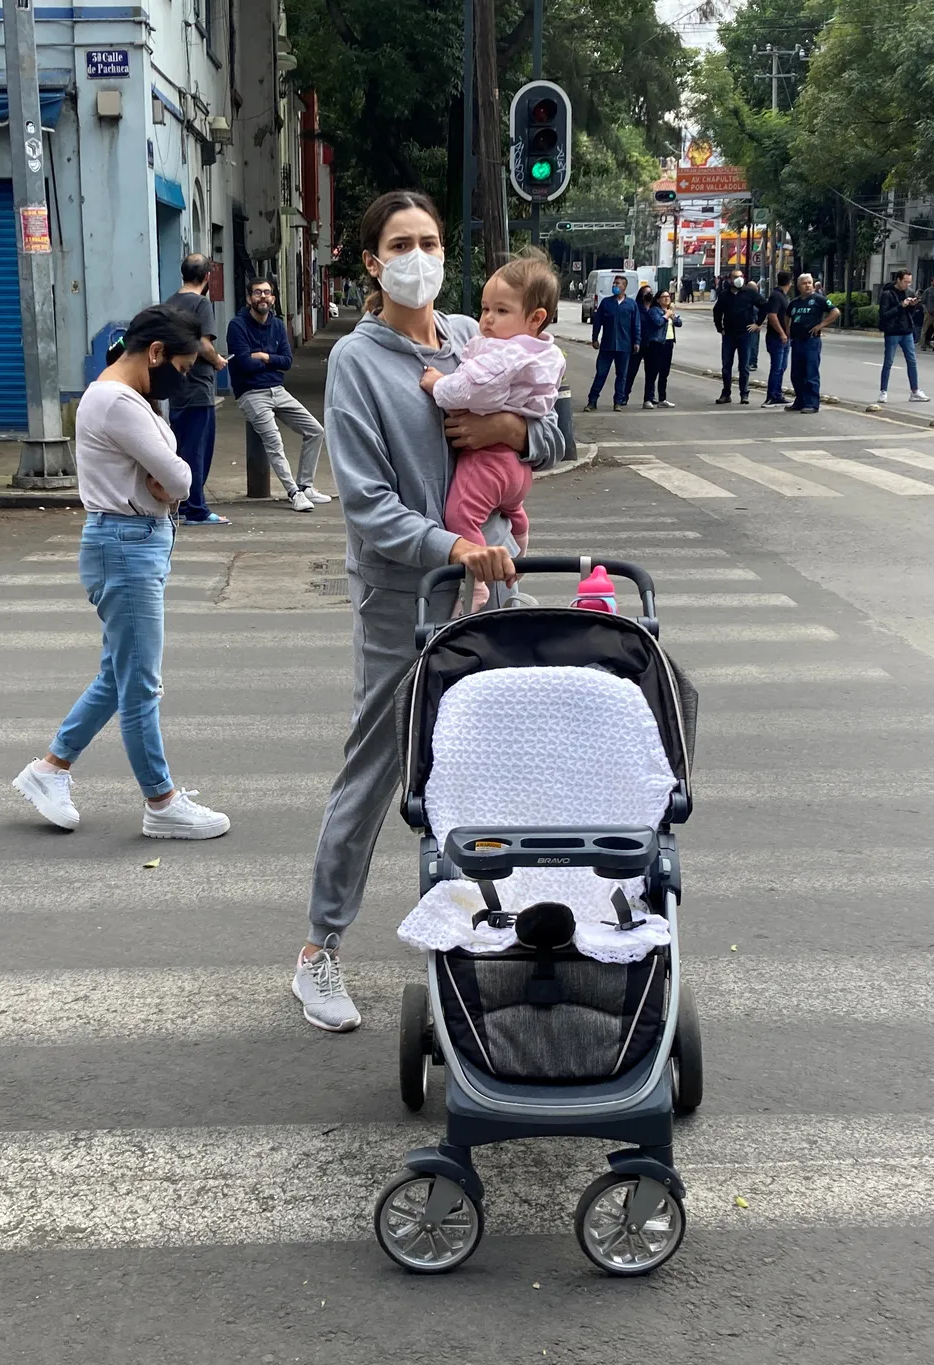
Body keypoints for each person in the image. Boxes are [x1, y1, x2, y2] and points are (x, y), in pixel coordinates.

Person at [292, 191, 564, 1031]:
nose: (419, 257)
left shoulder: (473, 334)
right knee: (375, 768)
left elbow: (554, 432)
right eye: (401, 244)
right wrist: (450, 548)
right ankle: (318, 949)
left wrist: (508, 433)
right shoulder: (357, 362)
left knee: (495, 765)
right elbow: (367, 504)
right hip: (404, 597)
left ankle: (498, 932)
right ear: (373, 262)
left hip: (493, 590)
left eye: (432, 242)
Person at [12, 305, 231, 839]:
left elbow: (170, 471)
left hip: (131, 542)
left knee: (119, 675)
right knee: (140, 686)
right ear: (155, 353)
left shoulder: (121, 396)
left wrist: (167, 475)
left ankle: (50, 768)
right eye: (181, 369)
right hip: (127, 545)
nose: (182, 380)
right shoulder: (116, 400)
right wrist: (168, 477)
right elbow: (180, 479)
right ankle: (161, 801)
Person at [419, 251, 564, 610]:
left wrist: (438, 384)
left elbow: (470, 390)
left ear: (535, 318)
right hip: (518, 473)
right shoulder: (544, 353)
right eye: (485, 308)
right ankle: (520, 544)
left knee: (460, 514)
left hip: (488, 465)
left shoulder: (503, 353)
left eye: (500, 311)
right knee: (514, 509)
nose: (486, 320)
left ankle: (476, 584)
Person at [226, 279, 333, 510]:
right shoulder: (237, 326)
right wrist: (270, 361)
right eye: (257, 293)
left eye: (267, 292)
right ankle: (294, 493)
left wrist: (263, 357)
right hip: (251, 393)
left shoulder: (277, 325)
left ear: (273, 298)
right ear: (249, 299)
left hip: (278, 390)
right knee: (275, 442)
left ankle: (305, 486)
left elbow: (287, 361)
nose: (263, 296)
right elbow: (243, 364)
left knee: (315, 430)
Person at [164, 253, 230, 526]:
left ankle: (180, 503)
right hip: (199, 386)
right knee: (198, 450)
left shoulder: (170, 303)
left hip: (176, 385)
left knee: (181, 448)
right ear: (207, 277)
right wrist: (217, 361)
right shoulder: (201, 303)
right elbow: (203, 343)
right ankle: (196, 509)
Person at [584, 274, 641, 412]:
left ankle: (618, 402)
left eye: (618, 284)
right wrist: (594, 338)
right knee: (601, 374)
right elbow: (597, 322)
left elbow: (636, 325)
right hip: (607, 345)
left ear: (624, 287)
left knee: (621, 376)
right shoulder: (606, 303)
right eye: (614, 283)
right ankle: (592, 401)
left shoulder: (631, 305)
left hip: (624, 346)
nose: (615, 286)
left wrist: (637, 341)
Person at [786, 272, 840, 413]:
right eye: (804, 283)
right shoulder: (794, 302)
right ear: (799, 286)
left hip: (811, 341)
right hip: (796, 341)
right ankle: (800, 401)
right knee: (796, 374)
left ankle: (812, 404)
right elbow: (787, 316)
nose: (808, 286)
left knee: (811, 373)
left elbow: (835, 312)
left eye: (809, 283)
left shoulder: (819, 299)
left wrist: (821, 325)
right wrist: (787, 331)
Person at [712, 269, 766, 404]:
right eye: (736, 277)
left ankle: (744, 393)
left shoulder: (749, 292)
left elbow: (764, 306)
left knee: (744, 366)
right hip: (729, 334)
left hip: (745, 333)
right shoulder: (725, 294)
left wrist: (757, 323)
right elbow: (717, 311)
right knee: (726, 365)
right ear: (730, 279)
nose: (739, 279)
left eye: (741, 276)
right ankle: (726, 393)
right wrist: (720, 328)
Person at [877, 269, 930, 403]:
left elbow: (910, 314)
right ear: (898, 280)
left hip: (907, 331)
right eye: (905, 282)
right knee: (888, 362)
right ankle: (883, 391)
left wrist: (912, 305)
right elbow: (884, 314)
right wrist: (901, 306)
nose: (907, 284)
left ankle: (915, 391)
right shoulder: (887, 294)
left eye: (909, 282)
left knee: (912, 361)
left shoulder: (909, 292)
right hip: (892, 332)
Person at [641, 289, 681, 409]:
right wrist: (666, 315)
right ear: (658, 299)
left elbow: (679, 323)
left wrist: (672, 315)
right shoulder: (654, 311)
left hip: (668, 342)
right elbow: (658, 322)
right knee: (652, 372)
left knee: (664, 372)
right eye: (664, 297)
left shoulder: (669, 311)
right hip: (656, 343)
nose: (667, 299)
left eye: (668, 296)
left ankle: (662, 399)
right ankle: (648, 399)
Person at [763, 270, 793, 407]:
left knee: (782, 367)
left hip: (784, 338)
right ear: (790, 283)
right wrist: (781, 333)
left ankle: (777, 394)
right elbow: (772, 316)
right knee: (776, 367)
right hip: (776, 338)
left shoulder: (782, 296)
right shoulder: (776, 296)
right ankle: (771, 396)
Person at [624, 285, 653, 405]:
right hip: (638, 343)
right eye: (646, 293)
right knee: (631, 371)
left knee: (651, 373)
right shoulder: (636, 307)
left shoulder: (654, 308)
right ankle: (624, 395)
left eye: (650, 293)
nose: (649, 295)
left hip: (651, 343)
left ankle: (649, 397)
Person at [921, 277, 934, 352]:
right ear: (931, 282)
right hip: (929, 313)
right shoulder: (927, 291)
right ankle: (923, 345)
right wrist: (926, 311)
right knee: (925, 329)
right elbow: (923, 302)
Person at [746, 279, 762, 370]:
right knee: (752, 345)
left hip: (753, 324)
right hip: (752, 324)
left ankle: (752, 362)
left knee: (753, 345)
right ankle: (750, 362)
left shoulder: (755, 299)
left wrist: (758, 323)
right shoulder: (752, 298)